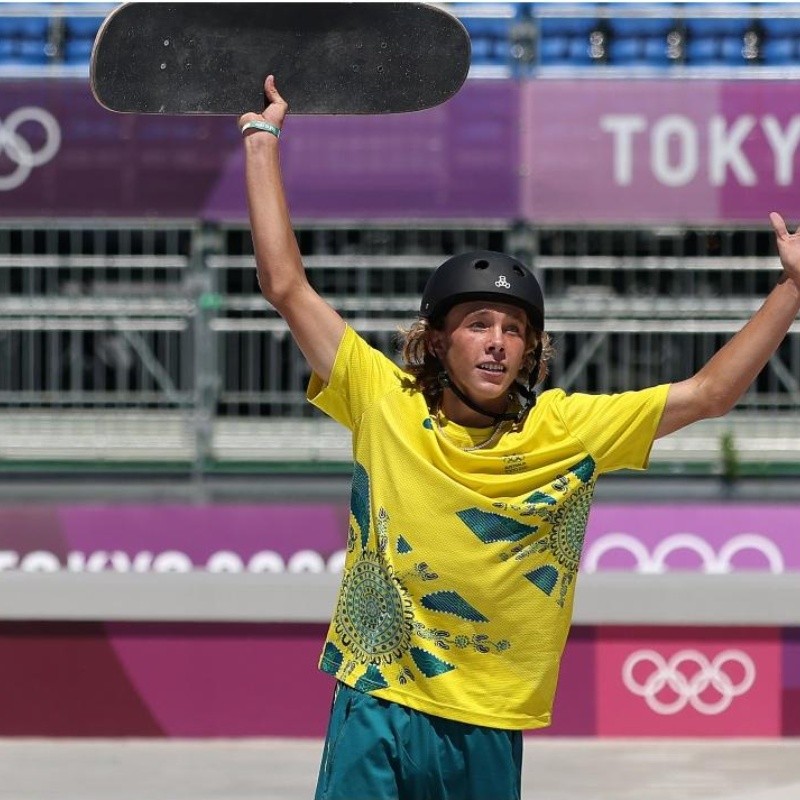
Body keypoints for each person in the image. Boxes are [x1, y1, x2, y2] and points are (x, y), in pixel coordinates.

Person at [238, 77, 800, 800]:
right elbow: (286, 284)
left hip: (488, 720)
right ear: (437, 342)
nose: (498, 344)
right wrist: (262, 140)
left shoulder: (567, 428)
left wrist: (790, 291)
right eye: (478, 326)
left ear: (533, 352)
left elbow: (710, 394)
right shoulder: (383, 402)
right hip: (374, 700)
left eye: (514, 332)